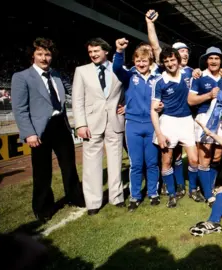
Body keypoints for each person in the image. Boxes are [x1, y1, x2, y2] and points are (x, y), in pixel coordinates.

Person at [11, 37, 84, 222]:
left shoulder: (57, 75)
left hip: (61, 125)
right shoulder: (21, 77)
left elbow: (76, 91)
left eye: (48, 54)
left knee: (69, 166)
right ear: (33, 56)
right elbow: (19, 109)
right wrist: (29, 133)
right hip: (39, 130)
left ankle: (74, 197)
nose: (44, 58)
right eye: (40, 54)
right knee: (42, 171)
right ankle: (43, 207)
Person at [72, 38, 126, 216]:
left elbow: (128, 92)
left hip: (115, 121)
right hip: (91, 123)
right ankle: (93, 202)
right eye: (90, 52)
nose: (93, 54)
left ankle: (116, 197)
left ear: (106, 51)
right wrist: (80, 124)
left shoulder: (119, 69)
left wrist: (126, 106)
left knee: (115, 160)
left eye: (96, 51)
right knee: (91, 164)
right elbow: (77, 100)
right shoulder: (81, 71)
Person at [112, 37, 161, 212]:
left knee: (152, 162)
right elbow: (116, 68)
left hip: (151, 124)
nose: (141, 63)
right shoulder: (129, 75)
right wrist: (119, 51)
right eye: (138, 60)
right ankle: (135, 196)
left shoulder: (157, 77)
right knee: (136, 163)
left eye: (144, 60)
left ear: (150, 61)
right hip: (132, 124)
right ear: (134, 60)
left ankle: (153, 193)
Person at [150, 48, 199, 208]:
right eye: (166, 61)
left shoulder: (188, 76)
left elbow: (201, 74)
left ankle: (192, 189)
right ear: (163, 64)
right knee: (167, 160)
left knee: (193, 159)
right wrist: (159, 133)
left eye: (172, 60)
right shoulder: (159, 81)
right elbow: (153, 109)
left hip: (186, 120)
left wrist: (198, 71)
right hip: (168, 122)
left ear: (178, 60)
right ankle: (172, 194)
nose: (170, 64)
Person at [188, 46, 222, 203]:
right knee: (204, 157)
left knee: (217, 156)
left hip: (221, 120)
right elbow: (191, 100)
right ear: (206, 60)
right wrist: (209, 95)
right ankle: (208, 194)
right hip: (205, 118)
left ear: (221, 61)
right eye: (210, 58)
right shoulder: (199, 77)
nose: (213, 61)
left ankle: (208, 186)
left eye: (217, 58)